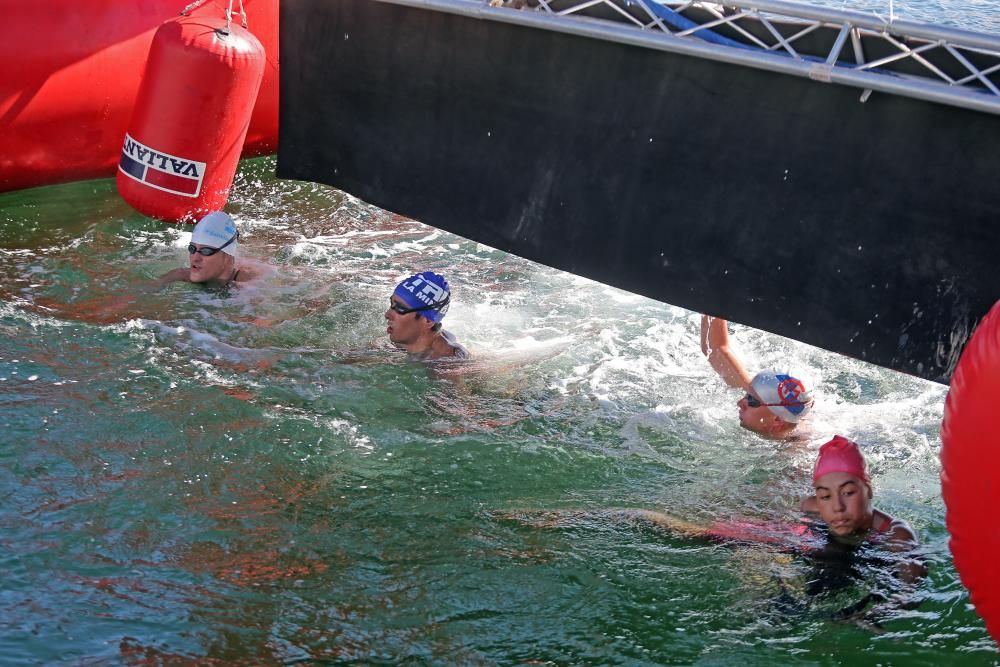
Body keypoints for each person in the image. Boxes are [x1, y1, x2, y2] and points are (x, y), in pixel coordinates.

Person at [701, 314, 813, 439]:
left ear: (778, 421)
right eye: (748, 395)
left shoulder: (799, 452)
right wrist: (715, 303)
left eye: (751, 401)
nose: (739, 403)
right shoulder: (765, 397)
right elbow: (714, 350)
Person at [156, 211, 265, 288]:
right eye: (192, 249)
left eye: (206, 251)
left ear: (227, 257)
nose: (195, 258)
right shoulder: (180, 274)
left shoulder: (247, 283)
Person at [385, 271, 469, 360]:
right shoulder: (401, 341)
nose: (387, 314)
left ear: (428, 321)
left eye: (400, 308)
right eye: (391, 304)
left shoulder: (447, 362)